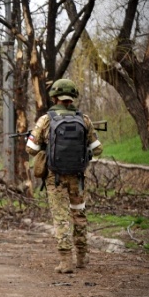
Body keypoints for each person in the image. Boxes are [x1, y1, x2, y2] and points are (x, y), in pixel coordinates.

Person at [26, 78, 103, 273]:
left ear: (54, 97)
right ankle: (82, 257)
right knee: (79, 214)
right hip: (78, 177)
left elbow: (30, 149)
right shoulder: (84, 119)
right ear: (73, 97)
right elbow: (98, 149)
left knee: (61, 217)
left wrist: (44, 143)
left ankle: (66, 261)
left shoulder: (46, 120)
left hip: (55, 177)